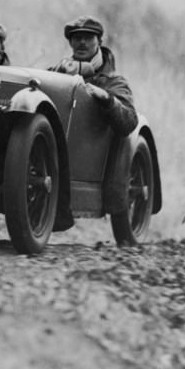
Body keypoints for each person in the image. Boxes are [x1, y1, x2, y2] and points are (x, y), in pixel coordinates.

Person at [48, 15, 138, 235]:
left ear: (99, 41)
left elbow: (129, 122)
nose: (81, 42)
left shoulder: (114, 81)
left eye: (88, 37)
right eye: (76, 37)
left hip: (90, 156)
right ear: (70, 42)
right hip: (53, 150)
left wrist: (107, 99)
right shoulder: (55, 74)